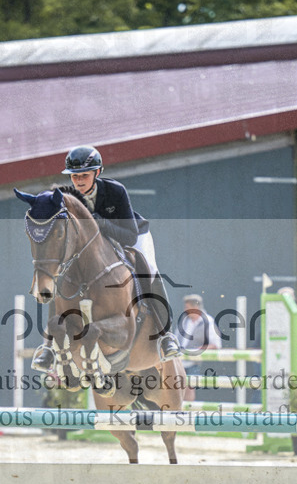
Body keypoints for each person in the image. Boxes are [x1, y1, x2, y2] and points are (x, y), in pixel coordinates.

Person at [31, 145, 182, 372]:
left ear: (97, 173)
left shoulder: (115, 191)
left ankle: (165, 335)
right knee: (61, 277)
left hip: (131, 235)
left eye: (84, 175)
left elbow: (129, 234)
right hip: (92, 248)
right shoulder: (68, 196)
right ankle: (49, 347)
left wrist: (100, 223)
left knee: (149, 269)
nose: (79, 181)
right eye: (75, 176)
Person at [178, 294, 222, 401]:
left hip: (195, 361)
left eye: (187, 307)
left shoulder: (208, 321)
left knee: (189, 386)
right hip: (179, 359)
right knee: (176, 386)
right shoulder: (184, 321)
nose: (185, 310)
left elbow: (216, 345)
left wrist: (199, 349)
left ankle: (188, 410)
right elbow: (176, 339)